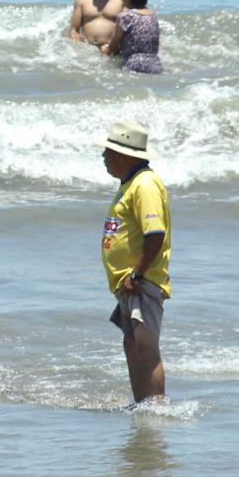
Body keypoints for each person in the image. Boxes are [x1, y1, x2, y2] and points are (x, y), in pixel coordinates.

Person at [99, 122, 171, 403]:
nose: (104, 158)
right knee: (132, 344)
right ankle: (142, 404)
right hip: (129, 284)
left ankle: (157, 406)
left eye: (108, 152)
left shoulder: (145, 185)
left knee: (145, 346)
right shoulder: (130, 184)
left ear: (123, 155)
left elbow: (155, 234)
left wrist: (138, 273)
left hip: (142, 282)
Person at [101, 0, 163, 73]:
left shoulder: (125, 17)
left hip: (132, 65)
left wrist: (105, 49)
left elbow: (112, 46)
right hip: (155, 65)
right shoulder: (153, 16)